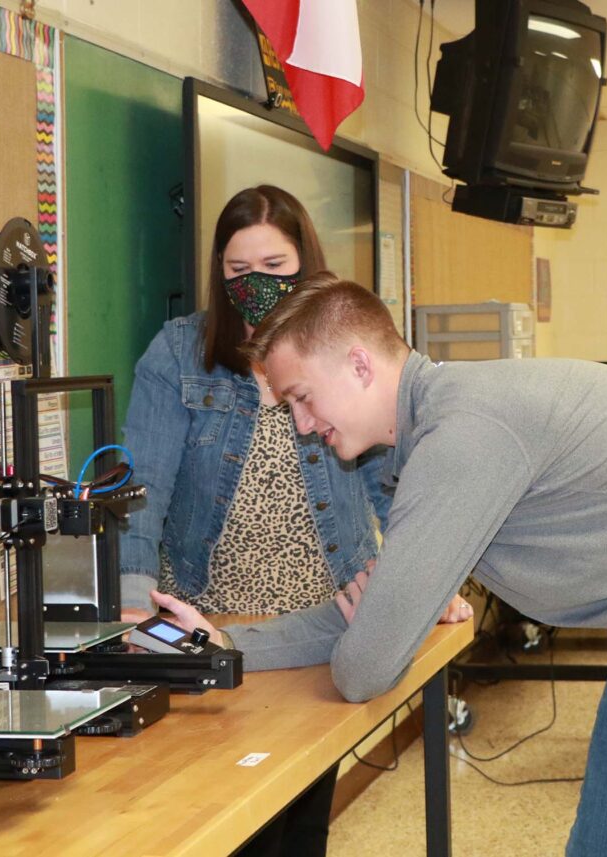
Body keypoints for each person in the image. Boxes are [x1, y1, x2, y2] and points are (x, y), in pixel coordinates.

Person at [151, 272, 607, 856]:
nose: (302, 425)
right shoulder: (434, 432)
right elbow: (374, 619)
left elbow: (364, 661)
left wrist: (382, 623)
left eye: (301, 398)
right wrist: (228, 645)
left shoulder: (463, 438)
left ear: (360, 364)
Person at [119, 188, 472, 857]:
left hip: (320, 627)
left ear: (306, 262)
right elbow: (141, 486)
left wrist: (425, 577)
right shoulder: (177, 355)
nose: (253, 285)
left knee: (304, 824)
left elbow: (389, 476)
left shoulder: (335, 353)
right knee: (237, 822)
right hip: (212, 628)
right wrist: (135, 602)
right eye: (235, 270)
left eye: (273, 264)